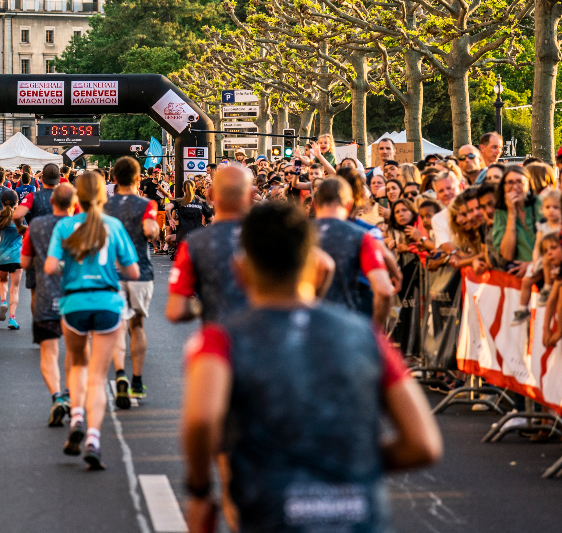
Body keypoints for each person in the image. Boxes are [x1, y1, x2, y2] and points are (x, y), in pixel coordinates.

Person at [180, 202, 442, 533]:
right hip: (358, 514)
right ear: (317, 269)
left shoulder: (219, 340)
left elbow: (202, 419)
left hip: (272, 512)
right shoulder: (366, 336)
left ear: (239, 271)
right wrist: (349, 462)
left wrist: (200, 489)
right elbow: (424, 444)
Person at [44, 172, 140, 469]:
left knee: (77, 364)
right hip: (108, 302)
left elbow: (49, 267)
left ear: (77, 197)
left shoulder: (65, 225)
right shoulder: (113, 226)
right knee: (99, 376)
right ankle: (94, 440)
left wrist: (70, 270)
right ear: (103, 195)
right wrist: (111, 271)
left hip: (74, 302)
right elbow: (134, 272)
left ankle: (76, 419)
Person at [104, 157, 160, 405]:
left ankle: (120, 376)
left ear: (114, 179)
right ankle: (137, 381)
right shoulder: (147, 204)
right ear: (138, 179)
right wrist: (154, 231)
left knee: (116, 326)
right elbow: (149, 231)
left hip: (111, 273)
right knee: (137, 326)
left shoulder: (104, 206)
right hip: (140, 271)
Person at [167, 165, 253, 326]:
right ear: (251, 195)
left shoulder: (195, 245)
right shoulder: (265, 237)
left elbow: (176, 310)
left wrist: (205, 304)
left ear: (212, 194)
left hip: (217, 338)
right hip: (261, 335)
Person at [21, 184, 76, 426]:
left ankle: (56, 396)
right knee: (75, 351)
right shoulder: (82, 226)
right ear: (73, 204)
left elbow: (24, 262)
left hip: (45, 294)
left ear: (52, 201)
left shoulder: (36, 226)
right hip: (76, 296)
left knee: (49, 352)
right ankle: (69, 394)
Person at [313, 177, 396, 325]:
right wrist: (372, 332)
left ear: (314, 204)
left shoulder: (294, 234)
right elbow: (384, 290)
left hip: (304, 325)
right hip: (347, 323)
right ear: (349, 205)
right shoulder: (361, 236)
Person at [0, 189, 25, 329]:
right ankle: (12, 318)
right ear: (16, 202)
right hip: (17, 256)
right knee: (15, 288)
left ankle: (3, 301)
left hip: (1, 255)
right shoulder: (20, 217)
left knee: (3, 281)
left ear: (1, 201)